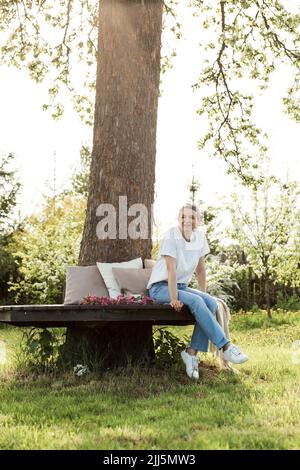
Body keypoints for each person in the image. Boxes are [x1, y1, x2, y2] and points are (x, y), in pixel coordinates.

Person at [147, 203, 248, 380]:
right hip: (161, 287)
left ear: (198, 221)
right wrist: (173, 298)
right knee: (197, 302)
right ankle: (226, 347)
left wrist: (204, 295)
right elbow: (170, 269)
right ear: (179, 219)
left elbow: (200, 270)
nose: (187, 220)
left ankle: (191, 353)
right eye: (183, 217)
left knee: (209, 302)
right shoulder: (171, 236)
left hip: (181, 286)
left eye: (192, 217)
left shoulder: (200, 237)